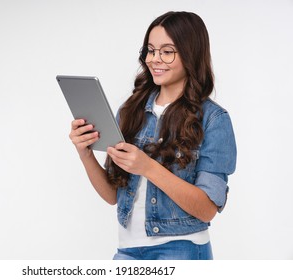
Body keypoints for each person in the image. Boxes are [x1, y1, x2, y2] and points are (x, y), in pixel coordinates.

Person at [69, 11, 236, 260]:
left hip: (182, 249)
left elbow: (207, 209)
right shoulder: (130, 111)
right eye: (150, 50)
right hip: (127, 251)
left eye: (167, 51)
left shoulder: (213, 119)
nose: (154, 59)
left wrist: (147, 167)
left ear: (191, 54)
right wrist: (85, 154)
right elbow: (113, 196)